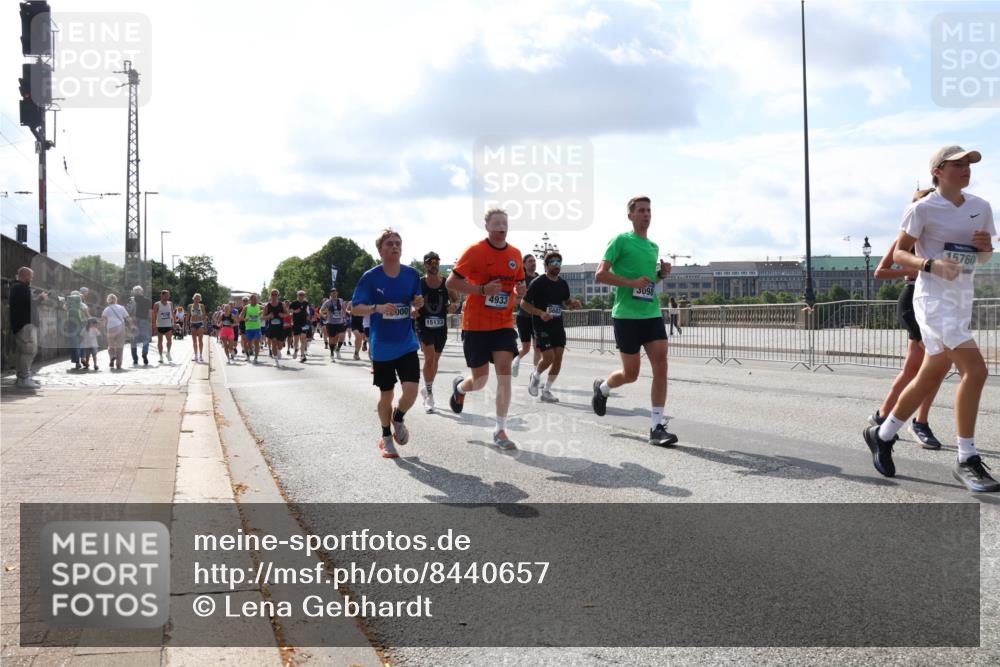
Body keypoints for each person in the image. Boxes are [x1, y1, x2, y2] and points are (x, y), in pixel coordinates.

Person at [863, 145, 998, 493]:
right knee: (976, 371)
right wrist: (930, 264)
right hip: (932, 299)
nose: (966, 169)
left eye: (969, 164)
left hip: (961, 298)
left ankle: (883, 433)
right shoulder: (921, 208)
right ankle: (966, 458)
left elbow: (983, 259)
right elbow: (899, 254)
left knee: (931, 373)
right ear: (938, 170)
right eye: (958, 164)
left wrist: (985, 248)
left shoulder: (981, 207)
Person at [591, 196, 677, 446]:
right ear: (630, 215)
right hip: (626, 316)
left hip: (650, 313)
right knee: (631, 374)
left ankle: (656, 427)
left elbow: (649, 282)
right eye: (641, 210)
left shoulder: (653, 247)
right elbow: (600, 275)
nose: (646, 214)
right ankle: (603, 388)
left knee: (661, 365)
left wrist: (661, 274)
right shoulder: (620, 241)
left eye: (649, 210)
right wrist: (630, 283)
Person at [867, 188, 944, 450]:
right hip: (913, 299)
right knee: (935, 362)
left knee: (912, 367)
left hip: (936, 299)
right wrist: (919, 267)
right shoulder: (907, 236)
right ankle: (920, 423)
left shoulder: (942, 236)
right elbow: (880, 272)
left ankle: (882, 415)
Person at [445, 209, 527, 450]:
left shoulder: (515, 254)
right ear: (487, 227)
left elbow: (518, 286)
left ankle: (500, 429)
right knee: (480, 380)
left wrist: (519, 292)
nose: (502, 226)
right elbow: (452, 282)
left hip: (502, 324)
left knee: (504, 371)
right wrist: (481, 291)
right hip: (476, 324)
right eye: (497, 223)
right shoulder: (475, 251)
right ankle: (460, 387)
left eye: (506, 222)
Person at [350, 229, 424, 459]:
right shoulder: (370, 277)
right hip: (382, 345)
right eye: (390, 243)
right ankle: (386, 437)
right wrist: (377, 308)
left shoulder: (411, 274)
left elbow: (416, 301)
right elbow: (354, 308)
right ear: (380, 250)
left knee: (411, 391)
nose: (395, 247)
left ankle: (398, 417)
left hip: (406, 342)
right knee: (387, 395)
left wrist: (416, 305)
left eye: (398, 243)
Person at [519, 251, 582, 402]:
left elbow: (566, 302)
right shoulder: (539, 282)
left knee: (558, 358)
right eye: (553, 262)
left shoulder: (563, 284)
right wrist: (540, 313)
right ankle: (535, 376)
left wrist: (573, 303)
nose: (556, 265)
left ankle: (546, 391)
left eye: (558, 262)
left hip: (557, 325)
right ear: (546, 265)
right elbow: (523, 303)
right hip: (541, 325)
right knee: (548, 357)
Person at [415, 251, 458, 412]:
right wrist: (414, 308)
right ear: (425, 265)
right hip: (424, 325)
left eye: (436, 262)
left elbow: (455, 299)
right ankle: (429, 396)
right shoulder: (419, 283)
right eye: (430, 262)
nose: (433, 265)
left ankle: (427, 388)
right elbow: (412, 299)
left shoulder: (446, 283)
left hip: (441, 327)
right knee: (430, 358)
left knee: (435, 361)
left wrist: (454, 305)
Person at [10, 267, 40, 389]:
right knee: (29, 350)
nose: (32, 278)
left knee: (23, 352)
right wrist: (41, 298)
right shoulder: (20, 288)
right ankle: (24, 378)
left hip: (22, 325)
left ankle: (21, 378)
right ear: (26, 275)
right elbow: (31, 304)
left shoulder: (18, 288)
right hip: (25, 325)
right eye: (31, 276)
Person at [512, 253, 540, 378]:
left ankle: (535, 374)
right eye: (530, 261)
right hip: (523, 317)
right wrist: (524, 300)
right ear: (524, 264)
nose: (533, 263)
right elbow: (515, 299)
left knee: (538, 347)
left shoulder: (539, 278)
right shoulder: (520, 278)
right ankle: (516, 360)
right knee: (526, 348)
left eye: (534, 261)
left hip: (536, 317)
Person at [101, 293, 131, 371]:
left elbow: (103, 320)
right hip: (120, 328)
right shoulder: (121, 308)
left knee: (111, 346)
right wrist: (132, 326)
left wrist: (102, 328)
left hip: (110, 328)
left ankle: (112, 356)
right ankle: (118, 364)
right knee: (120, 346)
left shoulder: (107, 309)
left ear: (108, 300)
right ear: (116, 300)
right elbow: (128, 318)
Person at [321, 288, 347, 361]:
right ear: (330, 294)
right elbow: (321, 310)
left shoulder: (341, 300)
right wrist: (324, 315)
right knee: (332, 339)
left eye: (335, 293)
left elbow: (344, 309)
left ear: (337, 293)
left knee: (341, 336)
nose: (334, 294)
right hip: (331, 323)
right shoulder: (328, 302)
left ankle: (338, 349)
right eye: (332, 293)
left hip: (340, 322)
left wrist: (345, 316)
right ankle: (332, 353)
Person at [128, 286, 151, 366]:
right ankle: (144, 353)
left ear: (134, 292)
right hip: (144, 320)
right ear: (142, 292)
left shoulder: (131, 300)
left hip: (134, 321)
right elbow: (149, 313)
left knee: (133, 340)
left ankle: (135, 359)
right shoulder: (147, 300)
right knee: (145, 339)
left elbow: (128, 312)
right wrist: (150, 321)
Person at [264, 290, 288, 366]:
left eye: (275, 294)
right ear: (270, 295)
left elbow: (287, 314)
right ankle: (276, 361)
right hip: (272, 328)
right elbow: (262, 317)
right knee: (273, 343)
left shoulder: (282, 304)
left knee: (280, 346)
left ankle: (278, 350)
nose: (274, 296)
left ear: (278, 295)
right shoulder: (267, 306)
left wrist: (282, 315)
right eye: (272, 294)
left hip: (280, 328)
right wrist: (268, 316)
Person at [65, 290, 87, 370]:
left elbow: (65, 309)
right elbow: (87, 315)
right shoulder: (83, 305)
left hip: (72, 324)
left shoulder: (68, 304)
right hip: (82, 325)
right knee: (82, 342)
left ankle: (77, 362)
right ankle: (83, 358)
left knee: (74, 344)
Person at [152, 290, 174, 363]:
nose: (168, 296)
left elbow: (172, 313)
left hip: (168, 325)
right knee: (160, 341)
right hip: (160, 325)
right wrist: (154, 325)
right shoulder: (157, 304)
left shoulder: (170, 303)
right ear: (162, 295)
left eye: (169, 295)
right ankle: (161, 356)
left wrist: (174, 322)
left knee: (169, 340)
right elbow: (154, 315)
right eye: (167, 295)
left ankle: (168, 353)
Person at [240, 293, 263, 363]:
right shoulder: (246, 307)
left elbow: (267, 308)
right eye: (253, 299)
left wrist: (262, 313)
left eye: (256, 299)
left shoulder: (260, 306)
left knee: (256, 342)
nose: (255, 300)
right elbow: (241, 317)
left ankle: (256, 358)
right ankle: (248, 353)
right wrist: (245, 319)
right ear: (250, 300)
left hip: (257, 328)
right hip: (249, 328)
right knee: (248, 344)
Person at [290, 290, 312, 363]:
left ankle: (302, 355)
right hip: (296, 323)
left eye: (303, 295)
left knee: (303, 339)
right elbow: (289, 310)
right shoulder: (294, 303)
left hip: (304, 323)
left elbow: (308, 311)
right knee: (296, 339)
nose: (301, 296)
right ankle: (296, 350)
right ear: (297, 295)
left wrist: (308, 316)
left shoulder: (306, 303)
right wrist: (295, 311)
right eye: (300, 294)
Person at [188, 293, 207, 363]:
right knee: (194, 341)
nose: (197, 299)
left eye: (198, 298)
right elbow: (188, 315)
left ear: (200, 299)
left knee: (200, 340)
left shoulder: (201, 306)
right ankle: (195, 355)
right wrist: (187, 325)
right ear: (193, 298)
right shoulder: (190, 306)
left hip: (200, 323)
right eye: (196, 298)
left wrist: (205, 325)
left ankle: (201, 355)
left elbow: (204, 316)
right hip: (192, 323)